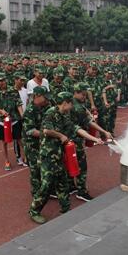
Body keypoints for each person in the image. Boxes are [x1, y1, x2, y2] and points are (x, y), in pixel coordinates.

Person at [29, 91, 104, 224]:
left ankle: (65, 208)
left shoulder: (65, 114)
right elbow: (46, 130)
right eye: (71, 104)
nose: (72, 106)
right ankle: (34, 210)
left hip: (59, 154)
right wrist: (60, 136)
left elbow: (76, 128)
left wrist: (95, 139)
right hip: (48, 156)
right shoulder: (51, 113)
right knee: (46, 186)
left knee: (63, 182)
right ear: (65, 103)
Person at [70, 83, 113, 201]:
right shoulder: (77, 107)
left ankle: (71, 186)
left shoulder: (75, 102)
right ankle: (81, 191)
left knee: (69, 162)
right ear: (76, 92)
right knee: (81, 165)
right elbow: (89, 122)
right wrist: (101, 133)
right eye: (83, 94)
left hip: (70, 138)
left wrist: (103, 132)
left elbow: (89, 120)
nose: (85, 97)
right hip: (74, 138)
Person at [0, 73, 24, 171]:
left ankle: (25, 158)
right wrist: (0, 111)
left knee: (19, 139)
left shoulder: (13, 91)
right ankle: (7, 160)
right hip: (2, 122)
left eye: (4, 80)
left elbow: (19, 103)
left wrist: (22, 115)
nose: (3, 82)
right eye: (0, 80)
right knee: (4, 142)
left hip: (14, 120)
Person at [22, 86, 51, 198]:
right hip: (32, 145)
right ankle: (36, 194)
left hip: (42, 142)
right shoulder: (30, 111)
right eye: (45, 98)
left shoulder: (45, 107)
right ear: (37, 96)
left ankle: (45, 190)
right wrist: (48, 134)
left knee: (45, 167)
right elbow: (30, 131)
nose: (47, 100)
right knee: (35, 169)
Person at [13, 73, 29, 167]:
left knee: (25, 138)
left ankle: (26, 156)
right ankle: (19, 157)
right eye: (20, 80)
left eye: (23, 80)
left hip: (25, 117)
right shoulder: (11, 91)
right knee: (17, 138)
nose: (22, 82)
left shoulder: (25, 90)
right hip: (16, 117)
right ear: (15, 80)